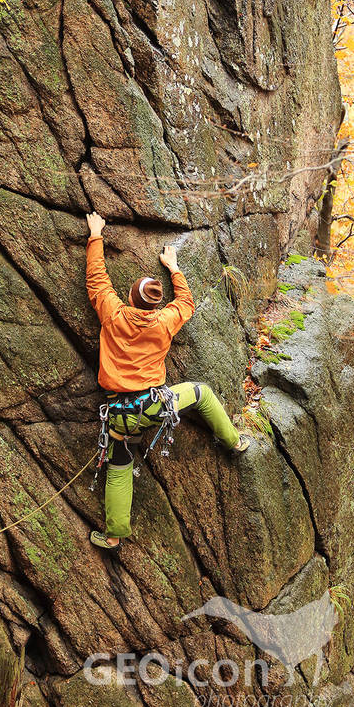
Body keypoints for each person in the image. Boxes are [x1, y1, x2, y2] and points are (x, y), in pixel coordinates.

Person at [85, 212, 250, 552]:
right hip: (155, 405)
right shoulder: (164, 322)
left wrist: (96, 234)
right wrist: (173, 267)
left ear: (130, 298)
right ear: (155, 305)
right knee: (201, 392)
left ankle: (114, 535)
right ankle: (234, 441)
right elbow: (185, 304)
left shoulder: (114, 313)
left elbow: (97, 280)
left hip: (117, 413)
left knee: (119, 463)